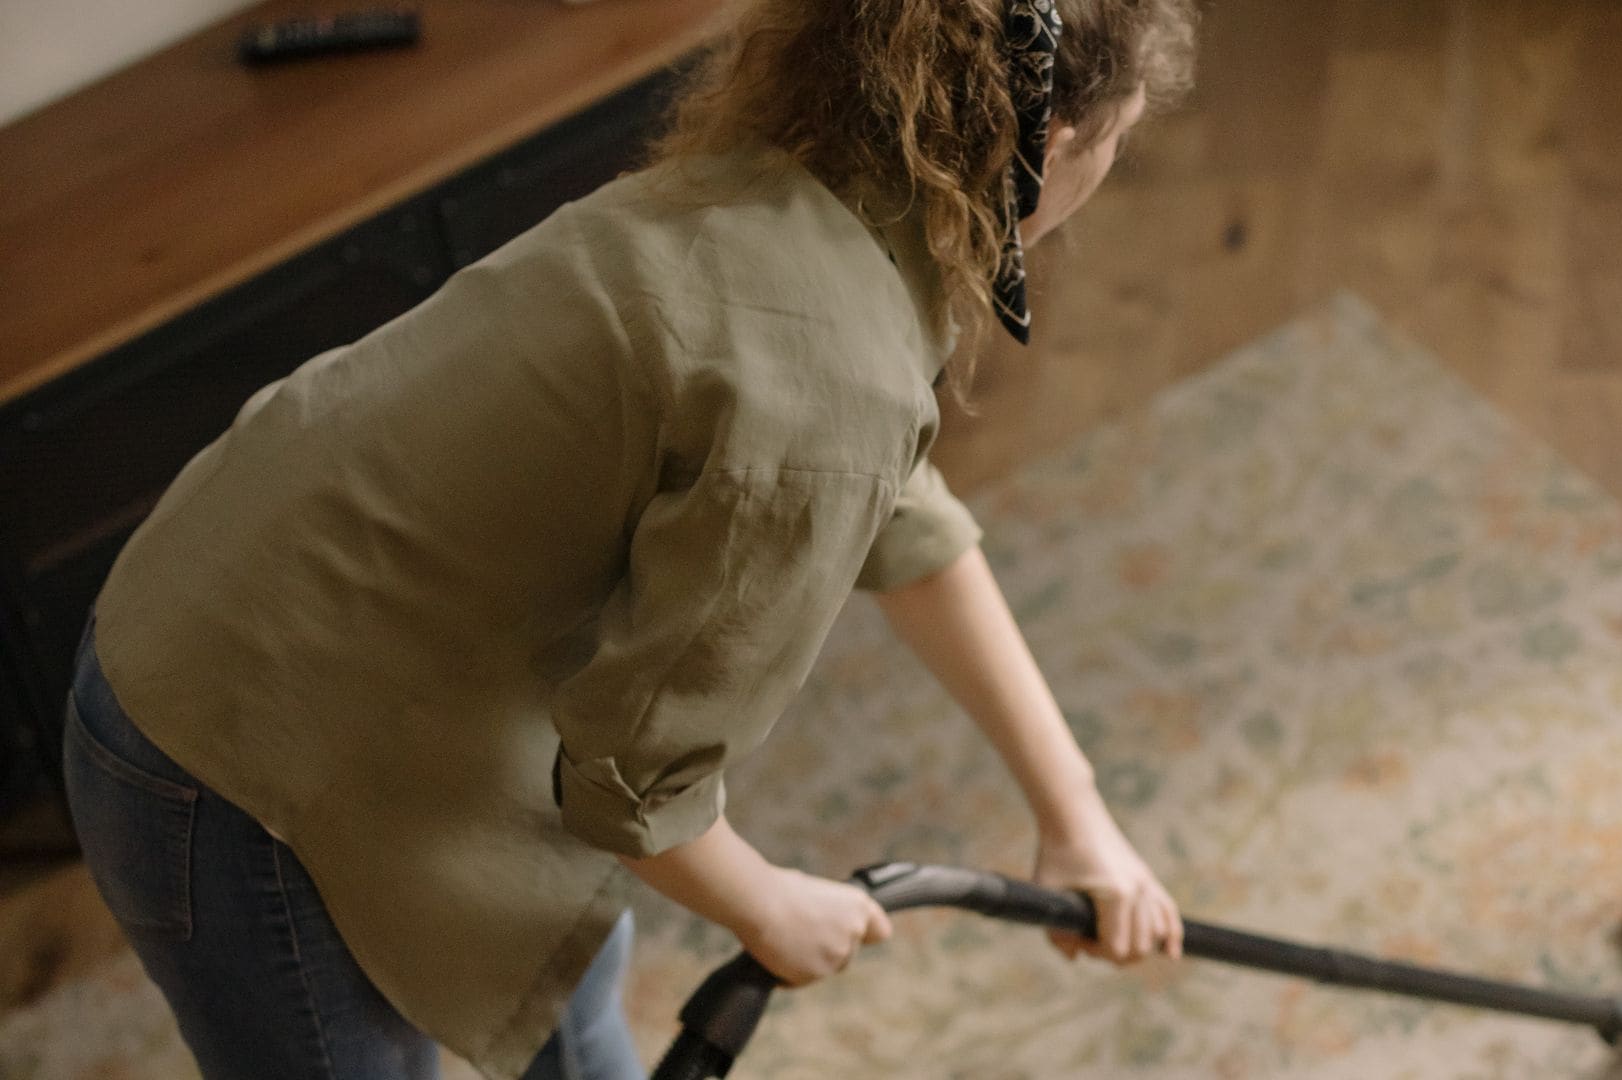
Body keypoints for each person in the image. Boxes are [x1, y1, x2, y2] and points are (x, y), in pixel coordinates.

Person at [60, 0, 1200, 1076]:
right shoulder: (829, 377)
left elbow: (907, 523)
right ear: (1048, 141)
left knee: (557, 947)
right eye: (1118, 141)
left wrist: (1074, 815)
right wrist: (766, 903)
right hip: (230, 751)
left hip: (247, 591)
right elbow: (631, 780)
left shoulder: (806, 199)